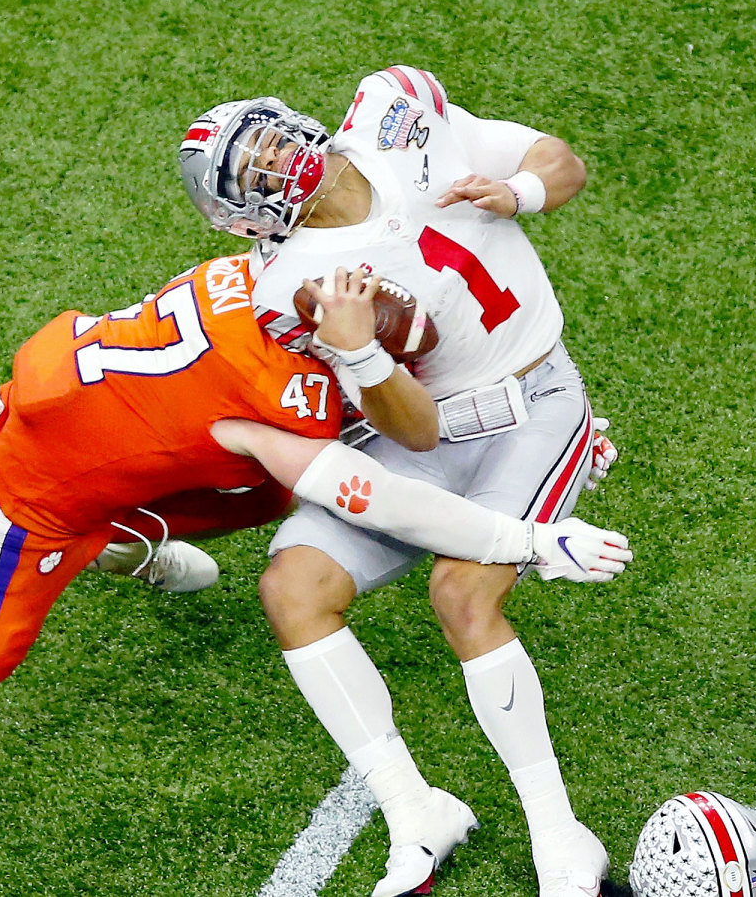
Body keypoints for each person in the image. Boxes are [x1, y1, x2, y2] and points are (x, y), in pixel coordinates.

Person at [0, 257, 629, 751]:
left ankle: (129, 534)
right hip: (26, 503)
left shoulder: (249, 285)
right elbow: (390, 489)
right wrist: (529, 529)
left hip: (106, 431)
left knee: (276, 483)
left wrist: (529, 427)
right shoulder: (277, 406)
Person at [179, 67, 618, 897]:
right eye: (254, 172)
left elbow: (564, 163)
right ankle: (416, 811)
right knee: (292, 587)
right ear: (245, 218)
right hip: (423, 430)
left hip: (534, 402)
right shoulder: (289, 286)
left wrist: (518, 192)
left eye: (270, 141)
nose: (277, 164)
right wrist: (358, 349)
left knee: (463, 596)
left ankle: (561, 836)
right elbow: (411, 428)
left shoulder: (394, 111)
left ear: (295, 120)